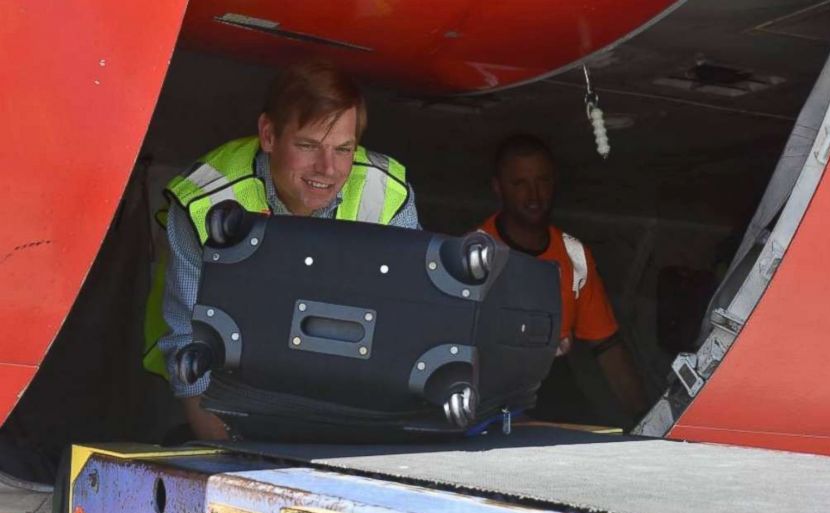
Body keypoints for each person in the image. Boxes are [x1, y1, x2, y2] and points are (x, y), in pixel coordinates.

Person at [143, 59, 420, 440]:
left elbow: (406, 332)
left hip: (344, 393)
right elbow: (190, 346)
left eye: (344, 149)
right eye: (308, 146)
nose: (328, 168)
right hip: (234, 390)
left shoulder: (387, 193)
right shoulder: (204, 200)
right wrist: (233, 464)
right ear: (269, 135)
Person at [478, 134, 649, 425]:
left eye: (542, 181)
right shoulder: (473, 254)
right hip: (488, 391)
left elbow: (606, 346)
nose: (534, 195)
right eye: (519, 184)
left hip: (551, 388)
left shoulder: (573, 254)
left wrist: (647, 421)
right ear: (498, 187)